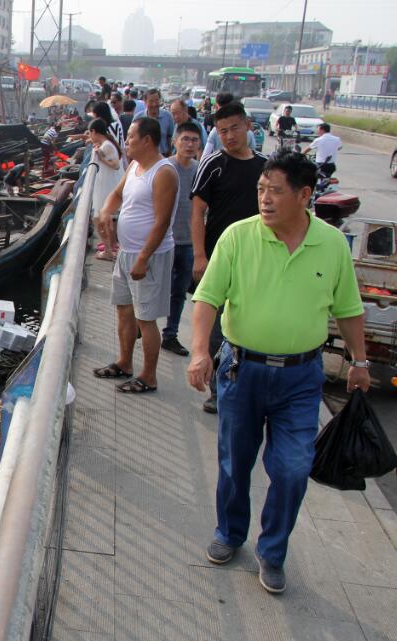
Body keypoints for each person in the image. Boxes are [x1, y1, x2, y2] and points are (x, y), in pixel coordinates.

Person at [187, 151, 368, 594]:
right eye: (261, 191)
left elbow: (348, 310)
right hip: (241, 371)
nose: (265, 200)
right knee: (235, 461)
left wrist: (361, 363)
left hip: (300, 379)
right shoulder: (237, 237)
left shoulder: (330, 246)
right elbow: (208, 299)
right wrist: (198, 353)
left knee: (291, 468)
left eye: (275, 191)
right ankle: (230, 533)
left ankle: (272, 552)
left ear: (305, 195)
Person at [191, 101, 268, 414]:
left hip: (259, 262)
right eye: (222, 131)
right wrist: (199, 256)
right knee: (218, 329)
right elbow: (197, 212)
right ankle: (217, 391)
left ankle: (247, 388)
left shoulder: (265, 167)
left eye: (234, 128)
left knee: (251, 326)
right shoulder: (213, 164)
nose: (229, 136)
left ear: (247, 125)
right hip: (219, 260)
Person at [92, 117, 178, 395]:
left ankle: (149, 376)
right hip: (126, 253)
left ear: (147, 141)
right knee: (124, 310)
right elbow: (116, 195)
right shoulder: (134, 166)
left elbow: (162, 222)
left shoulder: (164, 172)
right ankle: (125, 362)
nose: (126, 142)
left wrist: (143, 257)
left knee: (146, 317)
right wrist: (105, 211)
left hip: (149, 256)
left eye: (130, 137)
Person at [161, 121, 203, 357]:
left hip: (188, 242)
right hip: (164, 240)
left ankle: (170, 335)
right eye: (185, 139)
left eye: (194, 140)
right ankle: (142, 325)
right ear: (175, 141)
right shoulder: (165, 168)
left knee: (179, 292)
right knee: (155, 287)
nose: (189, 144)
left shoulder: (200, 170)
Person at [87, 118, 125, 261]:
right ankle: (110, 247)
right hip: (107, 184)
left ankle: (109, 250)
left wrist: (100, 156)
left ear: (94, 131)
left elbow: (114, 165)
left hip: (107, 185)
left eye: (90, 133)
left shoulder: (107, 145)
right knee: (105, 219)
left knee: (99, 218)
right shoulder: (107, 142)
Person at [141, 88, 174, 156]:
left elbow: (170, 137)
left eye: (157, 100)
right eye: (151, 101)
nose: (154, 104)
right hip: (144, 156)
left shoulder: (167, 116)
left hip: (163, 155)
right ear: (145, 102)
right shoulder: (139, 118)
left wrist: (170, 154)